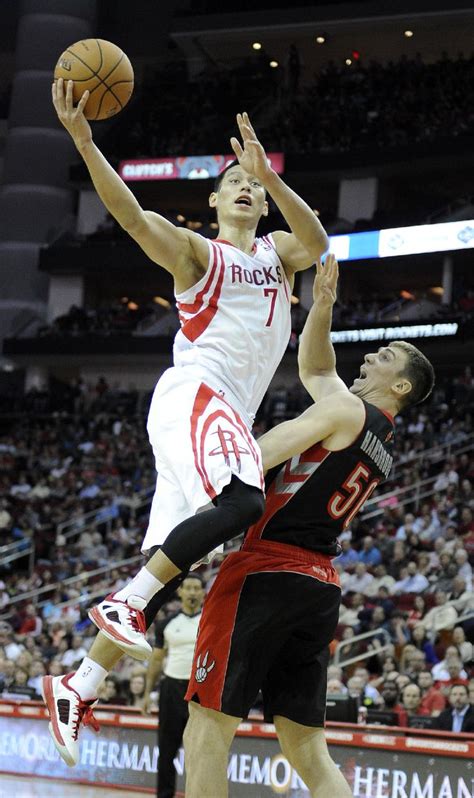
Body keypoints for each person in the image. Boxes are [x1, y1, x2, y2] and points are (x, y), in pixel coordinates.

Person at [43, 81, 328, 766]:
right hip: (199, 395)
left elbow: (314, 240)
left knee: (171, 560)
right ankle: (125, 605)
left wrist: (271, 177)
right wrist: (84, 140)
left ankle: (78, 682)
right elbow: (134, 216)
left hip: (219, 411)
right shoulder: (200, 255)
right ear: (211, 199)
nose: (244, 190)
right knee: (244, 501)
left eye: (252, 187)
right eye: (232, 183)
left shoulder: (277, 256)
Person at [182, 255, 435, 797]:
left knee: (207, 727)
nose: (370, 356)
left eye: (385, 356)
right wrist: (321, 309)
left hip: (266, 568)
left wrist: (202, 501)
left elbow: (262, 452)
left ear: (402, 388)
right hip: (318, 586)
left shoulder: (345, 412)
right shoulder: (379, 438)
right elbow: (316, 371)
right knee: (305, 748)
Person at [143, 574, 205, 798]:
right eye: (187, 588)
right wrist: (147, 692)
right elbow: (157, 660)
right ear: (180, 592)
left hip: (200, 692)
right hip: (171, 689)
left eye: (196, 588)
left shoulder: (211, 621)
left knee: (199, 751)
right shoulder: (166, 624)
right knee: (167, 749)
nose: (191, 592)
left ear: (202, 593)